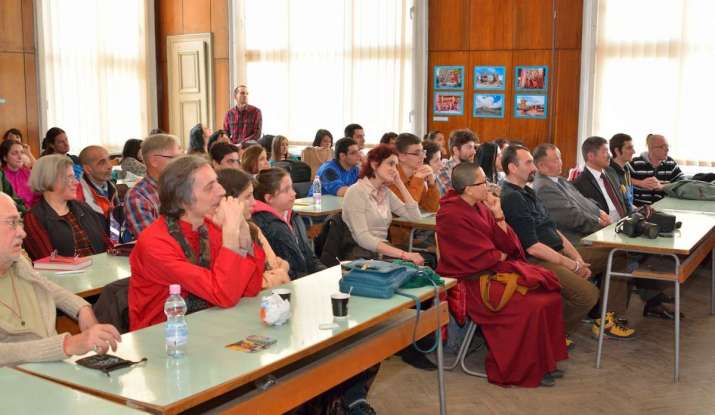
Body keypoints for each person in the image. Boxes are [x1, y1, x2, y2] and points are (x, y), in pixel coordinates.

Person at [437, 162, 567, 387]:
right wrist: (499, 255)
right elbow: (478, 255)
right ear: (468, 188)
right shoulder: (450, 213)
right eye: (483, 182)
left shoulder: (479, 206)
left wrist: (498, 215)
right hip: (471, 282)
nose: (488, 186)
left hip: (491, 273)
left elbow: (508, 244)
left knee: (549, 296)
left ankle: (542, 363)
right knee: (530, 307)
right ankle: (522, 370)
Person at [128, 156, 287, 331]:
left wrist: (243, 232)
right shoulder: (155, 243)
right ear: (183, 200)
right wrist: (230, 236)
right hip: (164, 336)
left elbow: (249, 289)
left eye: (217, 182)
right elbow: (222, 294)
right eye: (210, 187)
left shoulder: (208, 227)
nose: (221, 191)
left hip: (210, 325)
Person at [0, 193, 122, 366]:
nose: (22, 233)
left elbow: (47, 286)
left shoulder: (17, 263)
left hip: (49, 371)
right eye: (12, 223)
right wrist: (66, 345)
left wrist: (82, 308)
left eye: (19, 222)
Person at [533, 143, 635, 339]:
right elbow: (572, 217)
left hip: (584, 239)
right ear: (542, 166)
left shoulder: (559, 181)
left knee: (619, 252)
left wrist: (600, 213)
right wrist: (600, 223)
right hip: (570, 246)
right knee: (618, 254)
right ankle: (606, 319)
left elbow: (586, 202)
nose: (560, 162)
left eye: (560, 157)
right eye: (555, 159)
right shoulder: (544, 188)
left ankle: (607, 314)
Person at [499, 145, 599, 342]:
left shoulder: (527, 191)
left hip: (556, 251)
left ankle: (597, 319)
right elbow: (532, 246)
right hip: (537, 260)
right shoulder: (512, 198)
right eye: (528, 163)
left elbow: (553, 229)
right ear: (512, 167)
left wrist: (576, 258)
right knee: (588, 295)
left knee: (615, 254)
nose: (533, 167)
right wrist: (572, 265)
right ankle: (550, 337)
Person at [575, 137, 678, 321]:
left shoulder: (611, 175)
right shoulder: (580, 184)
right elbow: (588, 217)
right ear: (591, 156)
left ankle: (650, 299)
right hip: (604, 232)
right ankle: (612, 313)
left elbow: (624, 203)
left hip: (622, 225)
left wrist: (638, 212)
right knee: (630, 255)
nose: (609, 156)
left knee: (660, 234)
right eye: (604, 152)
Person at [341, 144, 425, 264]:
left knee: (421, 264)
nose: (395, 170)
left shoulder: (385, 192)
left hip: (380, 253)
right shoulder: (356, 191)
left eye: (396, 166)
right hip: (361, 256)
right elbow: (363, 238)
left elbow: (415, 217)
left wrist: (400, 184)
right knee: (413, 267)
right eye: (390, 164)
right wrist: (403, 254)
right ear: (374, 164)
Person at [23, 155, 108, 260]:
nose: (76, 182)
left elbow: (106, 245)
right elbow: (49, 263)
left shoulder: (83, 208)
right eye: (69, 177)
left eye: (74, 177)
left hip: (102, 273)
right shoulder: (34, 218)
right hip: (67, 276)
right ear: (50, 179)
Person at [252, 168, 327, 279]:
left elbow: (310, 257)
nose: (294, 193)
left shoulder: (293, 217)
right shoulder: (267, 227)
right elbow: (290, 272)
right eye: (286, 190)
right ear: (269, 198)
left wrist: (325, 274)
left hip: (305, 279)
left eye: (291, 187)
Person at [124, 134, 182, 238]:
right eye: (174, 158)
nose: (179, 163)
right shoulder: (137, 197)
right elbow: (152, 241)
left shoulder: (181, 186)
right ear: (154, 161)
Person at [389, 133, 440, 248]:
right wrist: (417, 180)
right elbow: (407, 209)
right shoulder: (391, 178)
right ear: (401, 156)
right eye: (417, 153)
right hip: (397, 241)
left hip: (416, 232)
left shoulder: (416, 175)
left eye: (423, 152)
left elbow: (431, 208)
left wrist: (431, 183)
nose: (423, 157)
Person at [627, 133, 684, 206]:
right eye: (662, 146)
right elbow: (620, 179)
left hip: (665, 208)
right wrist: (640, 183)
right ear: (651, 148)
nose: (667, 149)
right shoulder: (635, 163)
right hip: (640, 209)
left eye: (667, 146)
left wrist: (663, 187)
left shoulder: (671, 163)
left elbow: (683, 183)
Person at [76, 145, 118, 221]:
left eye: (109, 160)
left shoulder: (110, 186)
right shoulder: (79, 196)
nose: (110, 166)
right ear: (88, 169)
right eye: (102, 162)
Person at [436, 129, 478, 195]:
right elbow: (455, 196)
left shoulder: (471, 168)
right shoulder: (443, 169)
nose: (474, 152)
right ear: (456, 150)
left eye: (474, 147)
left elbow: (486, 187)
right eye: (469, 147)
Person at [1, 139, 38, 209]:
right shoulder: (2, 177)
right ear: (5, 158)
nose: (20, 157)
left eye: (22, 152)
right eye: (15, 153)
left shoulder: (28, 172)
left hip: (35, 211)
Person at [607, 133, 636, 211]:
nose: (634, 151)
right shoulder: (609, 173)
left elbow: (628, 201)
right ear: (617, 151)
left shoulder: (626, 169)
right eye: (629, 148)